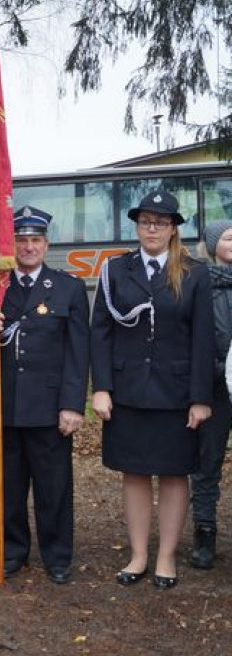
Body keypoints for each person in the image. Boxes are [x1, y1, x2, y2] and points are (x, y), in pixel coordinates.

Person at [91, 191, 213, 589]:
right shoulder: (115, 270)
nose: (152, 229)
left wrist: (200, 398)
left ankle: (166, 557)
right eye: (145, 222)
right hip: (128, 392)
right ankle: (139, 554)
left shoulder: (194, 273)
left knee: (175, 475)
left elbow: (203, 339)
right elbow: (100, 333)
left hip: (176, 394)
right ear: (138, 227)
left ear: (174, 228)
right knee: (135, 473)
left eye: (161, 222)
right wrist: (102, 387)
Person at [0, 207, 90, 584]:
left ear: (46, 244)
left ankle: (57, 555)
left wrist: (72, 405)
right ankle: (13, 551)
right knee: (8, 486)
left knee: (53, 486)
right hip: (5, 404)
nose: (28, 247)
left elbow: (78, 353)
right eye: (22, 240)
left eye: (35, 240)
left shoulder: (68, 287)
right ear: (11, 246)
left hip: (49, 406)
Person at [189, 220, 232, 569]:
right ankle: (204, 532)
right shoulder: (200, 283)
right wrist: (217, 369)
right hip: (215, 389)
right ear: (213, 243)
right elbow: (194, 336)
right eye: (229, 237)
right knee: (207, 464)